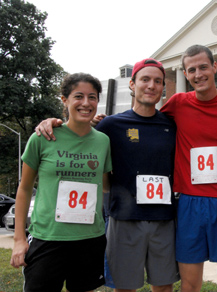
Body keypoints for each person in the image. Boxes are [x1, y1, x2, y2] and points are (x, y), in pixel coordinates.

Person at [35, 59, 179, 292]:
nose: (151, 85)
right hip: (123, 218)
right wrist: (53, 122)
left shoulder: (172, 125)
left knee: (163, 286)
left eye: (158, 81)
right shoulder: (111, 125)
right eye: (145, 79)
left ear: (163, 87)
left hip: (164, 218)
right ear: (132, 84)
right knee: (124, 287)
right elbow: (78, 134)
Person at [160, 44, 217, 292]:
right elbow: (144, 119)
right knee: (190, 284)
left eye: (203, 67)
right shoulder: (178, 103)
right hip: (190, 202)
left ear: (214, 67)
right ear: (185, 74)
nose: (198, 74)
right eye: (191, 70)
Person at [10, 73, 112, 292]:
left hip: (90, 240)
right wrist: (19, 239)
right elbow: (25, 189)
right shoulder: (43, 137)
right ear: (64, 100)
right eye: (79, 96)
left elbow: (105, 186)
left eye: (92, 97)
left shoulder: (103, 141)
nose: (86, 103)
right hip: (48, 238)